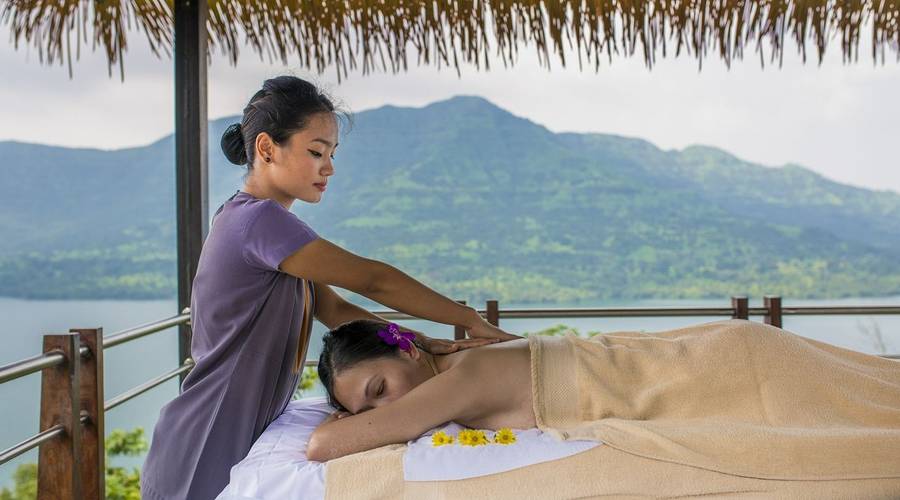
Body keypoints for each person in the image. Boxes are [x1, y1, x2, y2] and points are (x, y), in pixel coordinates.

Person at [140, 75, 518, 500]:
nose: (329, 167)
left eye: (333, 154)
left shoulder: (267, 227)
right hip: (209, 434)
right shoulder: (257, 222)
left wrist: (421, 341)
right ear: (266, 149)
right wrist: (467, 319)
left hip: (238, 427)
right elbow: (374, 279)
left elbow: (335, 310)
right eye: (316, 152)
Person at [308, 318, 900, 489]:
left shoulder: (461, 379)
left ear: (405, 348)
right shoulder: (459, 366)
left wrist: (344, 424)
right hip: (713, 356)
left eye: (378, 392)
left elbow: (322, 446)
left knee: (868, 406)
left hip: (715, 369)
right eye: (366, 409)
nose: (383, 412)